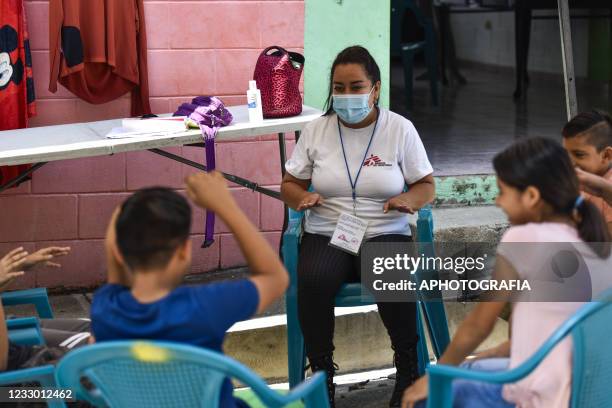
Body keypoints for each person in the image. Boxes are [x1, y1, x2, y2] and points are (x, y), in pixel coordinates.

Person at [402, 137, 611, 408]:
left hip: (538, 396)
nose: (498, 202)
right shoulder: (594, 239)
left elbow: (479, 325)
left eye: (502, 192)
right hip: (588, 392)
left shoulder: (525, 237)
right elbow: (538, 337)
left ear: (532, 196)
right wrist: (476, 360)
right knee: (469, 369)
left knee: (425, 397)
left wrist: (436, 376)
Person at [280, 45, 435, 407]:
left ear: (375, 89)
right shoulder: (316, 130)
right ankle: (320, 375)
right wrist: (299, 199)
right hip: (329, 231)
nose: (346, 96)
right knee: (314, 279)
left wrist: (409, 200)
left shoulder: (399, 129)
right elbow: (290, 184)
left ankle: (408, 369)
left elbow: (426, 185)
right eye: (339, 87)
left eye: (356, 86)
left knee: (388, 273)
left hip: (385, 229)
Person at [90, 172, 289, 408]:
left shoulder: (106, 306)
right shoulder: (205, 306)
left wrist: (130, 209)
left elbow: (114, 257)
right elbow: (275, 277)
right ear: (184, 250)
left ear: (119, 254)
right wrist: (224, 205)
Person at [562, 110, 612, 235]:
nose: (570, 162)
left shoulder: (606, 191)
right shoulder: (582, 180)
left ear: (606, 155)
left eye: (579, 155)